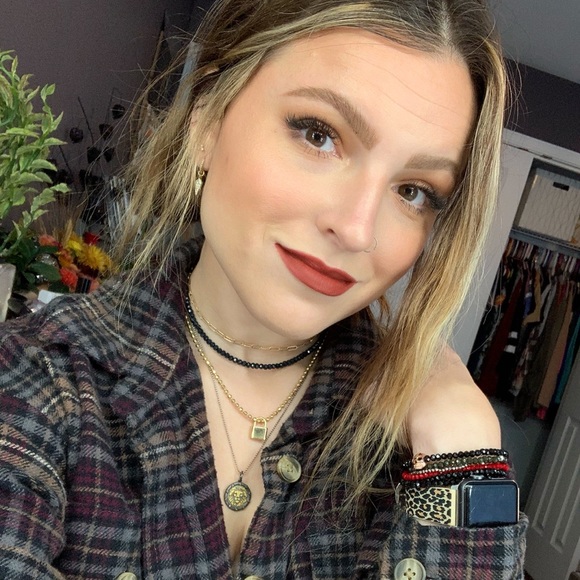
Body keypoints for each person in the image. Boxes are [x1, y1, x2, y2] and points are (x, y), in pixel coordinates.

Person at [0, 0, 528, 578]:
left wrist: (465, 452)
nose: (357, 230)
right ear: (207, 120)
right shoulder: (40, 372)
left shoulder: (416, 447)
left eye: (414, 191)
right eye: (319, 135)